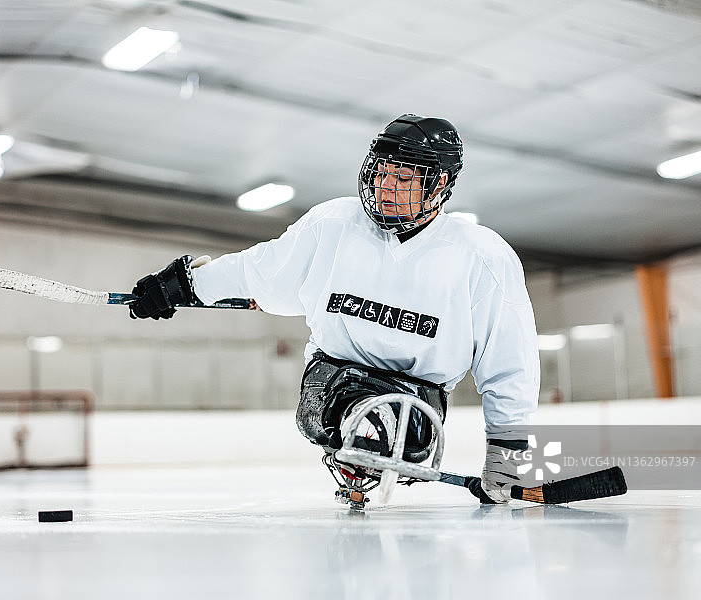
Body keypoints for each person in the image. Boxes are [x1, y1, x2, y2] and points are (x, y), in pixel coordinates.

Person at [128, 114, 540, 504]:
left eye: (402, 177)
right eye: (381, 172)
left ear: (439, 185)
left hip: (418, 402)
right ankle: (362, 443)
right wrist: (185, 284)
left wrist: (506, 460)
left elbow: (509, 362)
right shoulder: (334, 223)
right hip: (332, 381)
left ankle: (373, 442)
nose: (386, 186)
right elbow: (263, 270)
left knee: (393, 423)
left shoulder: (482, 257)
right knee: (362, 413)